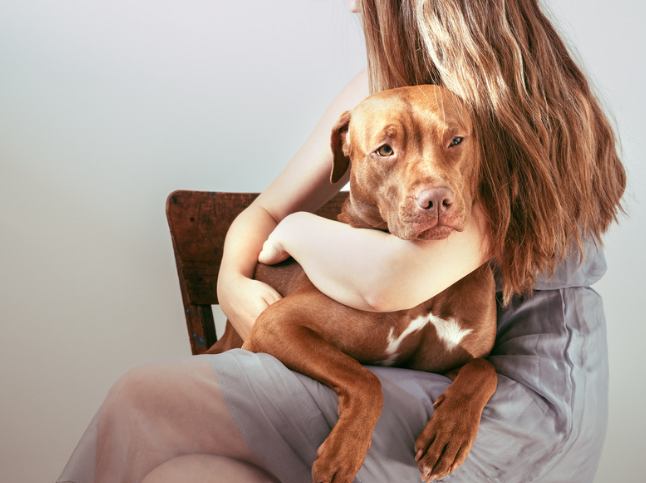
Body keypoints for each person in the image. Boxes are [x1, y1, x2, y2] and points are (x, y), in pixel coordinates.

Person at [58, 1, 626, 482]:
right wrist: (232, 282)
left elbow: (388, 282)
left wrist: (297, 231)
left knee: (142, 397)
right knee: (186, 475)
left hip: (524, 402)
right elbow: (268, 208)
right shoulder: (385, 93)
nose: (361, 17)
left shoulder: (511, 122)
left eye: (370, 9)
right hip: (407, 373)